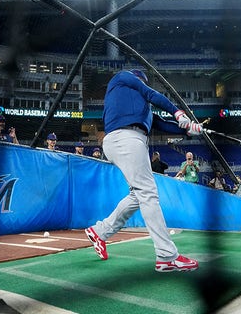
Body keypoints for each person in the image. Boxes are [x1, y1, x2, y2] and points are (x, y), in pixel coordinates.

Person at [84, 69, 203, 272]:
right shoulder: (122, 78)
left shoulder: (143, 109)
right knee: (148, 193)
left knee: (138, 194)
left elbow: (163, 124)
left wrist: (188, 130)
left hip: (127, 140)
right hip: (126, 137)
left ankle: (100, 231)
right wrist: (178, 111)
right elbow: (151, 93)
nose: (142, 84)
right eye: (141, 82)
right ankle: (166, 256)